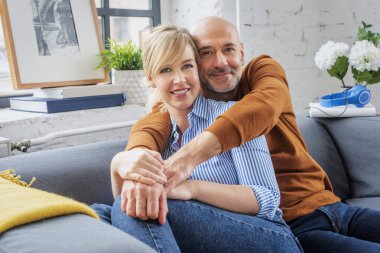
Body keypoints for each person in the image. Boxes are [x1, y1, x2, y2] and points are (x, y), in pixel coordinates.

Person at [114, 17, 380, 253]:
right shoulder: (179, 108)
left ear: (241, 52)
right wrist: (127, 161)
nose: (220, 61)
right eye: (207, 52)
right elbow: (150, 125)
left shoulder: (259, 73)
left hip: (332, 206)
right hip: (296, 227)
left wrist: (187, 162)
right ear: (198, 62)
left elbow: (261, 107)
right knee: (116, 209)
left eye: (228, 49)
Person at [100, 24, 302, 253]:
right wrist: (117, 164)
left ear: (197, 69)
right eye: (166, 70)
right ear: (151, 78)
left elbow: (267, 199)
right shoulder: (159, 135)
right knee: (99, 213)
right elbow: (125, 200)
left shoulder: (231, 115)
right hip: (201, 238)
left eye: (187, 66)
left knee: (159, 205)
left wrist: (191, 189)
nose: (179, 79)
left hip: (270, 238)